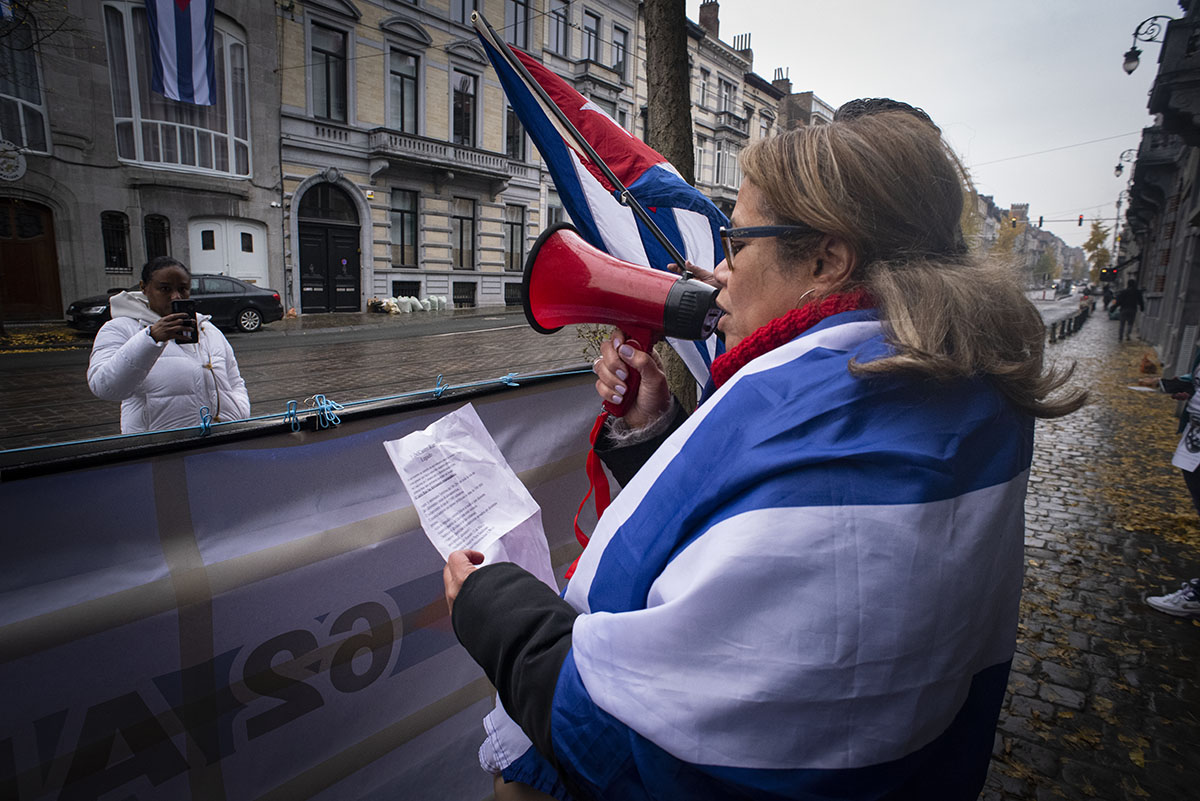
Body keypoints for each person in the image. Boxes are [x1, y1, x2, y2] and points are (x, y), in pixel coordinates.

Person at [444, 113, 1084, 801]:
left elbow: (625, 737)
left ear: (825, 260)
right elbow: (744, 528)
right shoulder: (962, 379)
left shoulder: (798, 403)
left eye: (737, 240)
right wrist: (656, 430)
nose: (719, 272)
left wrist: (491, 605)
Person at [88, 256, 250, 433]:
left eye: (183, 289)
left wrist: (240, 410)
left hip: (222, 440)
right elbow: (105, 388)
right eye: (165, 289)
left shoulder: (207, 328)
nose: (176, 296)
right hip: (161, 448)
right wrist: (151, 339)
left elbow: (234, 380)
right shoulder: (120, 328)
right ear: (144, 288)